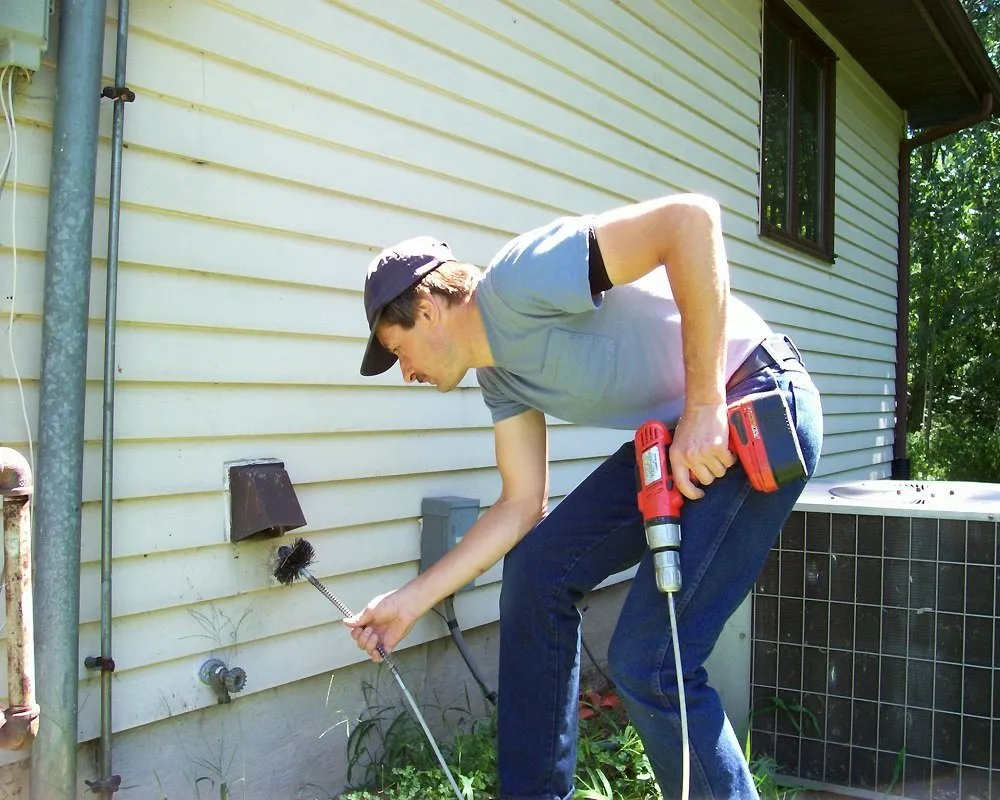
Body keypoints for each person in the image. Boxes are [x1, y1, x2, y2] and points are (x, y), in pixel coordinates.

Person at [345, 194, 823, 800]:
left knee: (649, 659)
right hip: (681, 436)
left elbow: (690, 221)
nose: (404, 371)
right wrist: (409, 603)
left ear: (427, 305)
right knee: (538, 568)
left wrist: (705, 405)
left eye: (397, 349)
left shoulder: (520, 278)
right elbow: (521, 504)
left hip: (752, 402)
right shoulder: (500, 377)